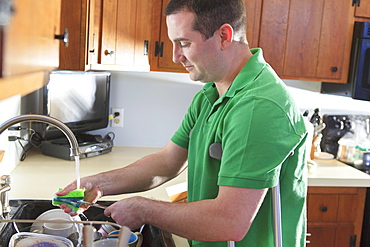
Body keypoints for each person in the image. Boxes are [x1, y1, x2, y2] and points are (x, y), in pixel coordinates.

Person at [57, 0, 308, 246]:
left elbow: (229, 221)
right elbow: (168, 161)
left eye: (184, 43)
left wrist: (144, 210)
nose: (176, 56)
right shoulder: (211, 93)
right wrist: (98, 184)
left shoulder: (259, 106)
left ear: (224, 36)